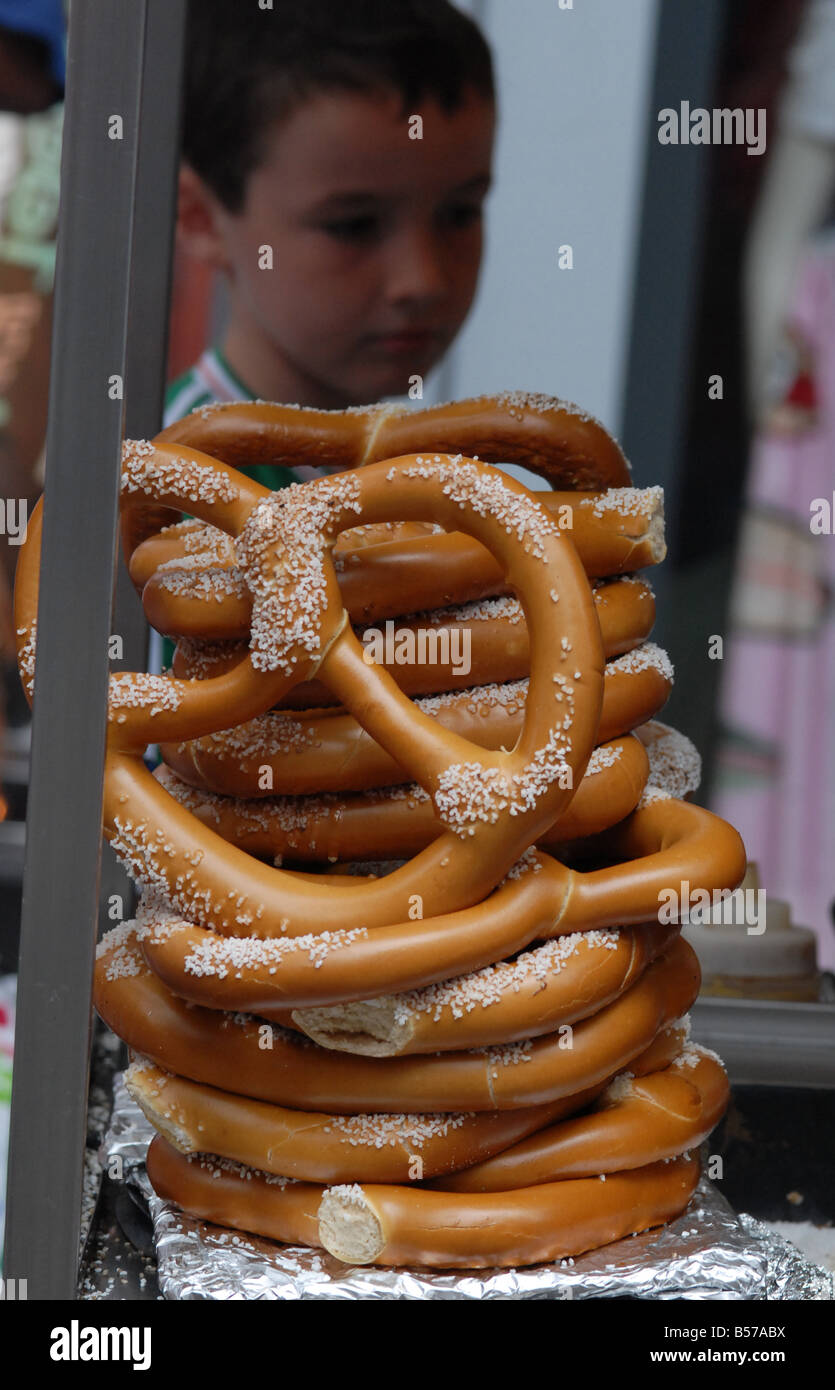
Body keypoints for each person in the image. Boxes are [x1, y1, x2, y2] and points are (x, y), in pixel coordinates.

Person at [165, 0, 497, 488]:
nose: (423, 280)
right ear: (202, 220)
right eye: (354, 225)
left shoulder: (410, 472)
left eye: (459, 213)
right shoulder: (173, 488)